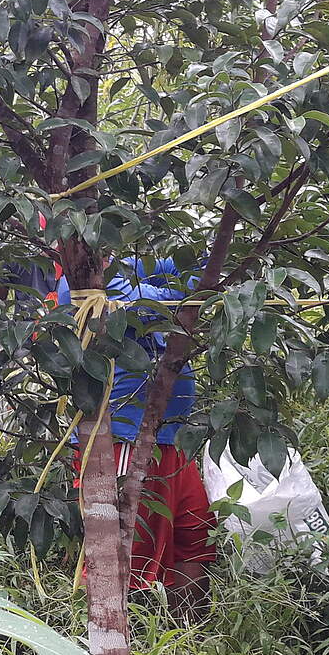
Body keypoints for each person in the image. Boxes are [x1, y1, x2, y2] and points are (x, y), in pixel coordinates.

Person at [54, 257, 217, 614]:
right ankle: (120, 640)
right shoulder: (81, 284)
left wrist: (191, 280)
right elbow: (149, 306)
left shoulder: (127, 267)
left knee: (195, 532)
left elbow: (189, 272)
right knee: (128, 549)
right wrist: (185, 292)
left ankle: (188, 636)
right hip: (127, 436)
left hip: (169, 437)